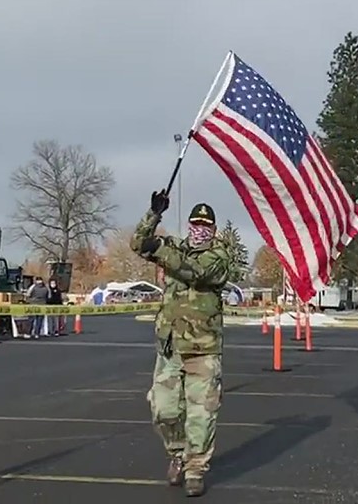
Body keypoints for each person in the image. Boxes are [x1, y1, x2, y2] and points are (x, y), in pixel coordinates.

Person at [130, 191, 230, 498]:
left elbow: (195, 272)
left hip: (203, 348)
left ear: (212, 230)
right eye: (195, 223)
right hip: (171, 346)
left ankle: (195, 468)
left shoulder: (219, 256)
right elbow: (138, 244)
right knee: (163, 409)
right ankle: (177, 453)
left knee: (202, 414)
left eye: (205, 225)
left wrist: (160, 250)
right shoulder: (174, 247)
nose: (199, 229)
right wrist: (153, 215)